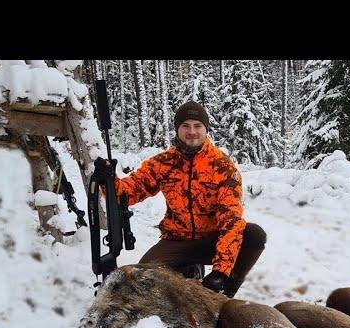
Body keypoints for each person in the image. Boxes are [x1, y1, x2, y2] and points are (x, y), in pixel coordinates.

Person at [111, 100, 266, 297]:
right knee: (142, 278)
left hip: (211, 240)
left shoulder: (222, 167)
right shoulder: (163, 163)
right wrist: (108, 181)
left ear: (206, 129)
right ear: (177, 129)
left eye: (197, 126)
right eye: (185, 126)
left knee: (253, 235)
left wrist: (221, 271)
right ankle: (188, 270)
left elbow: (231, 219)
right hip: (177, 240)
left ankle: (225, 293)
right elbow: (130, 191)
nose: (192, 131)